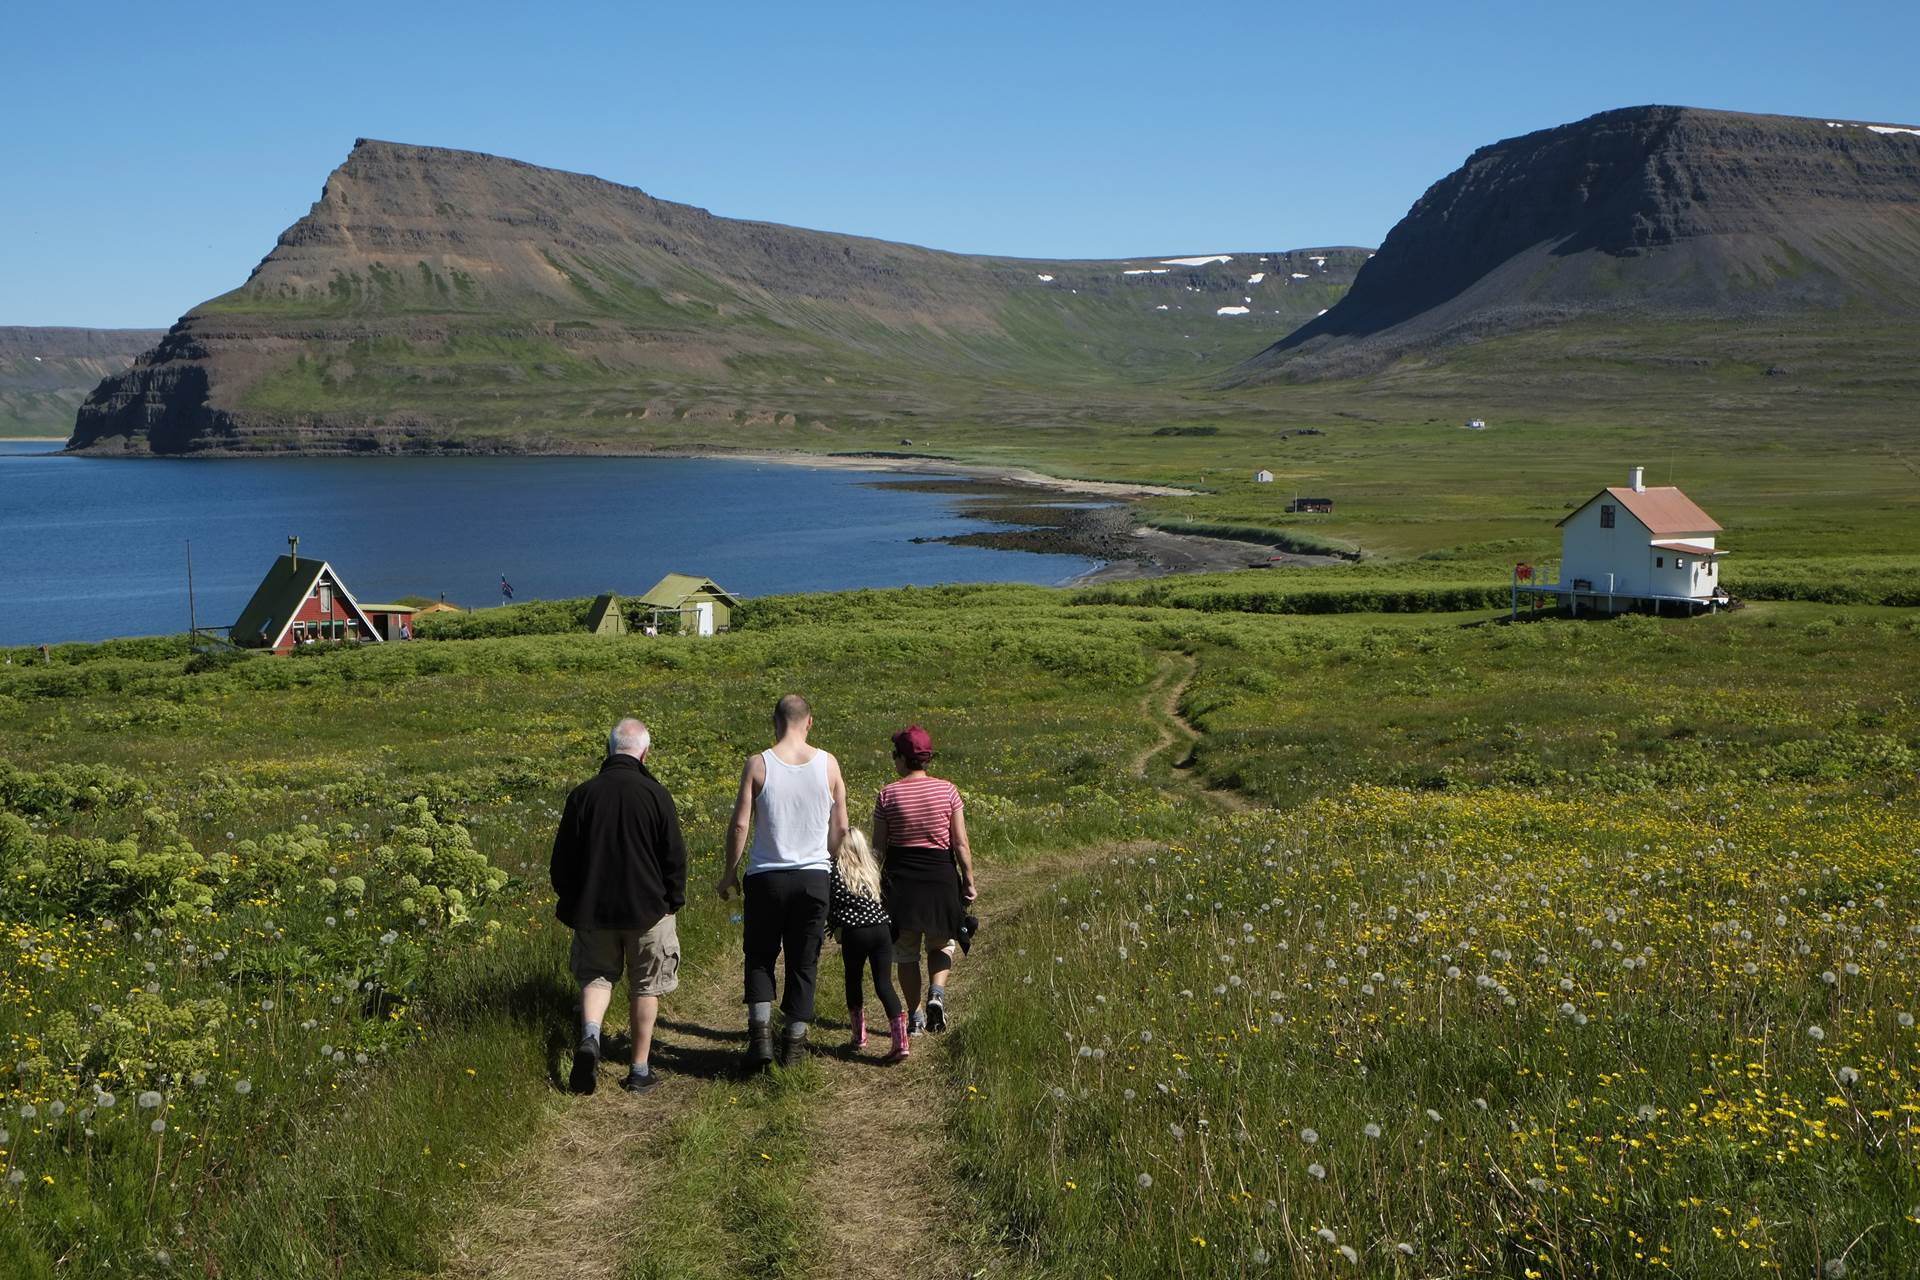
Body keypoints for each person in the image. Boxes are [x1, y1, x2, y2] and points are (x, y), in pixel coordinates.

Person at [550, 717, 687, 1095]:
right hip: (648, 909)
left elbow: (561, 862)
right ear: (645, 753)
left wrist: (571, 898)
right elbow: (674, 856)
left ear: (609, 749)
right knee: (646, 985)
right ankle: (639, 1070)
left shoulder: (582, 795)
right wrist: (674, 900)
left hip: (593, 910)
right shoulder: (657, 795)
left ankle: (590, 1036)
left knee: (596, 974)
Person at [718, 694, 848, 1067]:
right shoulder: (829, 764)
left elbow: (742, 823)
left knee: (759, 955)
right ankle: (793, 1043)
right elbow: (839, 828)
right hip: (813, 878)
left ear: (775, 722)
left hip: (765, 878)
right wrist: (830, 866)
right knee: (803, 959)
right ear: (809, 723)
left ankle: (760, 1039)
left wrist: (730, 870)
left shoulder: (758, 765)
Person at [875, 725, 975, 1033]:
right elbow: (959, 843)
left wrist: (872, 884)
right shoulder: (947, 790)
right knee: (941, 943)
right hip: (940, 878)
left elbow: (877, 849)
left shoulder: (887, 795)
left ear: (904, 759)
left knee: (905, 952)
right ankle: (937, 994)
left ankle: (915, 1016)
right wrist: (968, 879)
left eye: (895, 755)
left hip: (901, 882)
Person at [830, 828, 908, 1060]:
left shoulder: (834, 870)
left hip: (854, 932)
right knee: (884, 984)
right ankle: (901, 1041)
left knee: (853, 979)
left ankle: (859, 1035)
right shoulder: (871, 870)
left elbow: (830, 904)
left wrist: (833, 926)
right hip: (881, 930)